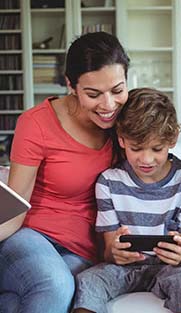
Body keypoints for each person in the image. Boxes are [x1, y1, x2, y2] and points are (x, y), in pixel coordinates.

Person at [0, 32, 130, 313]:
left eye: (117, 90)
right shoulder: (36, 124)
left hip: (82, 251)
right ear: (71, 85)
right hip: (30, 236)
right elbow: (15, 206)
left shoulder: (127, 121)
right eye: (93, 94)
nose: (108, 106)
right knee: (54, 285)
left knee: (36, 299)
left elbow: (162, 162)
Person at [73, 88, 181, 313]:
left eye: (156, 149)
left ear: (172, 139)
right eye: (136, 148)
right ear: (121, 140)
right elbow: (108, 250)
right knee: (89, 280)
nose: (146, 159)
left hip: (171, 268)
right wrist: (115, 252)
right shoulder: (108, 182)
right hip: (125, 269)